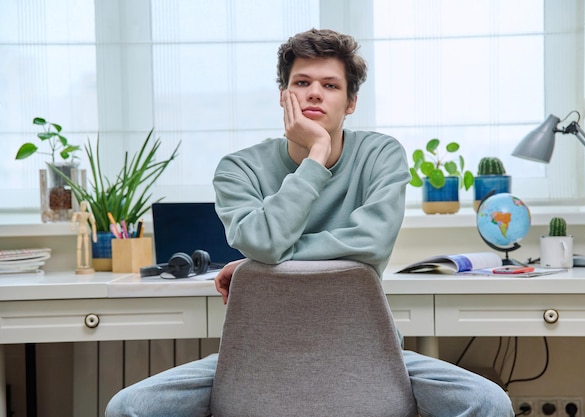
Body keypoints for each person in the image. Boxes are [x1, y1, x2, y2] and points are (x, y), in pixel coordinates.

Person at [105, 28, 514, 417]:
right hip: (254, 360)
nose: (315, 92)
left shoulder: (381, 155)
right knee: (128, 407)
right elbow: (264, 242)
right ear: (284, 96)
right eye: (302, 82)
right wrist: (317, 154)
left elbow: (368, 243)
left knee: (488, 403)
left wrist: (258, 266)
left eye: (331, 85)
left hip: (370, 355)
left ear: (351, 102)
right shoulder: (238, 169)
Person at [71, 200, 97, 274]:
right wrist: (72, 226)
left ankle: (87, 264)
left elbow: (93, 223)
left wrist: (94, 233)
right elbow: (73, 220)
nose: (83, 207)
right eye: (82, 206)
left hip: (85, 230)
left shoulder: (88, 214)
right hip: (80, 229)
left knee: (86, 248)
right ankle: (79, 264)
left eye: (84, 206)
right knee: (78, 248)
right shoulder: (77, 214)